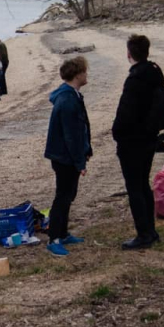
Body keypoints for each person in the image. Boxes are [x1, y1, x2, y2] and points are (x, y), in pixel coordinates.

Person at [112, 34, 164, 250]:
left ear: (129, 54)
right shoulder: (155, 72)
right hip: (149, 136)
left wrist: (117, 133)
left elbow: (126, 113)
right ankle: (150, 230)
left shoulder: (134, 80)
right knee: (143, 183)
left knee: (135, 186)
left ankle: (144, 233)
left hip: (133, 139)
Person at [43, 57, 92, 257]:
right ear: (77, 74)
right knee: (62, 197)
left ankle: (62, 233)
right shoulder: (67, 100)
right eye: (85, 72)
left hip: (68, 154)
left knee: (69, 195)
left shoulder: (73, 96)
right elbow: (71, 136)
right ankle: (54, 238)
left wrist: (86, 150)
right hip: (64, 156)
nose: (87, 75)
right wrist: (79, 162)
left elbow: (82, 129)